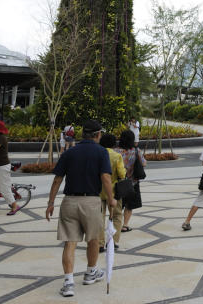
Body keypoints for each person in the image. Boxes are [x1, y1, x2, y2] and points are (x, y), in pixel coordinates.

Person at [45, 120, 115, 297]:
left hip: (69, 201)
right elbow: (106, 178)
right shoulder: (101, 152)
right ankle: (91, 272)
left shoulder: (70, 152)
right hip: (91, 201)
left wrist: (50, 203)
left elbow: (57, 179)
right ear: (98, 135)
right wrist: (112, 200)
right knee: (93, 239)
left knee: (70, 242)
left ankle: (68, 283)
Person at [97, 133, 125, 252]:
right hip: (113, 190)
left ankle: (99, 243)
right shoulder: (116, 156)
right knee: (117, 215)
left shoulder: (97, 154)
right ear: (114, 144)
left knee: (99, 217)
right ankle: (112, 241)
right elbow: (122, 174)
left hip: (97, 190)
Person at [117, 129, 146, 233]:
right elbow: (143, 163)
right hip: (132, 182)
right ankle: (125, 225)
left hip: (118, 182)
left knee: (118, 205)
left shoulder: (117, 151)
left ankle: (115, 225)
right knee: (129, 205)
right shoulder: (136, 150)